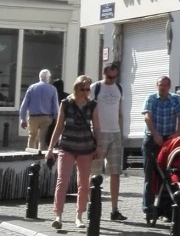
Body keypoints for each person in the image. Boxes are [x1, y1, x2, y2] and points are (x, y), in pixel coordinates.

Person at [45, 75, 100, 230]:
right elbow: (58, 126)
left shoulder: (92, 105)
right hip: (67, 145)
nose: (86, 92)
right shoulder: (66, 103)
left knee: (83, 184)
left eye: (88, 89)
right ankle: (58, 215)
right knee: (62, 181)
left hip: (86, 147)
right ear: (76, 88)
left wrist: (99, 145)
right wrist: (50, 148)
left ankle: (79, 216)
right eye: (83, 89)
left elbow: (96, 127)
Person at [141, 76, 180, 215]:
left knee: (167, 174)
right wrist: (155, 135)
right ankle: (148, 207)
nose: (163, 87)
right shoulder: (151, 98)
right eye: (160, 84)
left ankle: (165, 207)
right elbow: (147, 117)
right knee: (150, 174)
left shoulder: (174, 98)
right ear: (157, 85)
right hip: (152, 138)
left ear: (169, 86)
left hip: (168, 139)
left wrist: (177, 133)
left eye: (165, 85)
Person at [89, 62, 127, 221]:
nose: (112, 79)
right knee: (95, 172)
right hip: (100, 132)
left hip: (115, 133)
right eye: (109, 77)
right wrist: (94, 134)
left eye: (114, 76)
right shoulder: (95, 87)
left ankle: (114, 209)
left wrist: (122, 132)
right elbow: (92, 111)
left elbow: (119, 111)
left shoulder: (119, 88)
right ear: (103, 74)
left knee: (115, 172)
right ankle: (93, 207)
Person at [19, 69, 59, 150]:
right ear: (49, 78)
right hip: (46, 117)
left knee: (32, 137)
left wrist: (23, 119)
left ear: (39, 77)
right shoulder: (52, 89)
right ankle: (41, 157)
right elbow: (55, 106)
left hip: (33, 117)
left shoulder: (32, 87)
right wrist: (57, 119)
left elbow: (24, 105)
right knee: (43, 139)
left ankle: (29, 156)